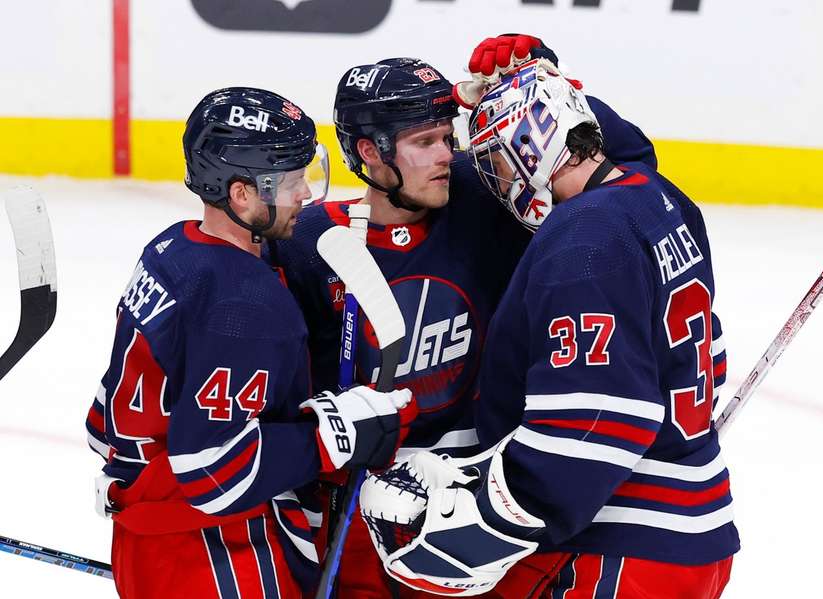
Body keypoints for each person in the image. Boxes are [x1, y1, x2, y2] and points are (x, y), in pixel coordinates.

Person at [273, 43, 659, 597]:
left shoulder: (486, 197)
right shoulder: (313, 242)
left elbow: (626, 169)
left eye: (446, 135)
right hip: (361, 504)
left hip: (478, 499)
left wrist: (546, 88)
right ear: (370, 151)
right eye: (423, 142)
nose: (444, 154)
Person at [361, 59, 737, 598]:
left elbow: (597, 417)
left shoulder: (585, 236)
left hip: (620, 541)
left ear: (536, 142)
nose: (496, 178)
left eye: (498, 158)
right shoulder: (654, 195)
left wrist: (488, 522)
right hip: (686, 528)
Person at [85, 87, 416, 599]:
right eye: (289, 182)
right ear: (241, 194)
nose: (305, 195)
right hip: (214, 551)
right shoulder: (244, 305)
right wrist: (337, 435)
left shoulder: (171, 246)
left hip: (148, 532)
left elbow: (103, 421)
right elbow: (214, 473)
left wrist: (135, 477)